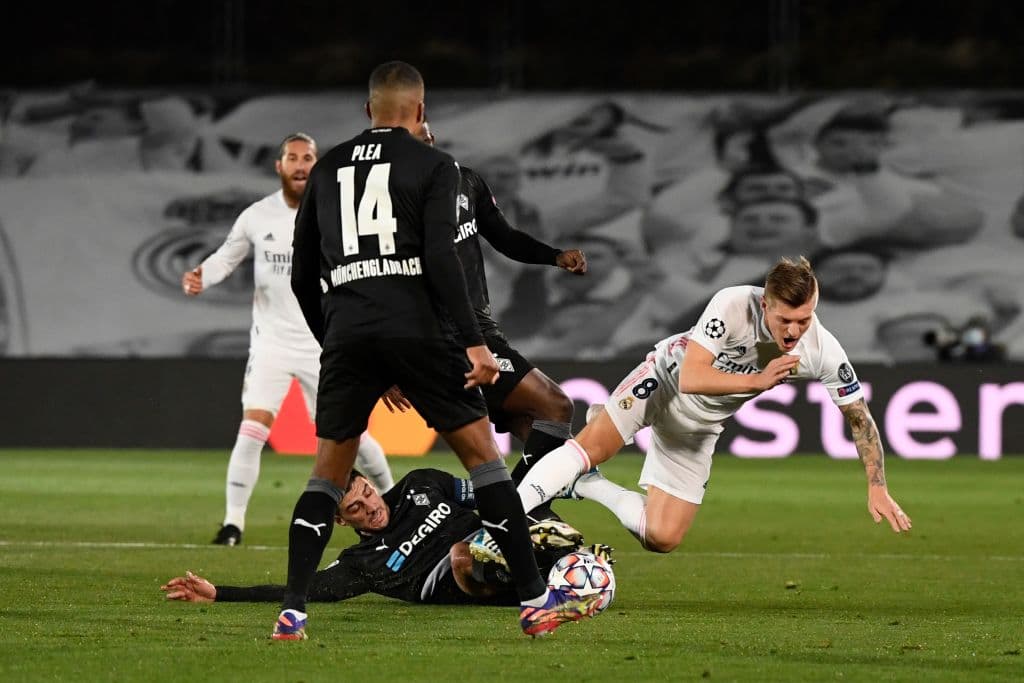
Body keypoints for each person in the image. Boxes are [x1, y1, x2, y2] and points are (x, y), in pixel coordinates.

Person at [281, 61, 600, 641]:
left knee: (326, 478)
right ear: (421, 110)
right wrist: (475, 343)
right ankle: (534, 601)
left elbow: (302, 277)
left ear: (368, 110)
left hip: (348, 333)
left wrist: (337, 342)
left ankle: (293, 611)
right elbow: (438, 257)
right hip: (422, 332)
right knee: (485, 463)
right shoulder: (435, 166)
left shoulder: (326, 168)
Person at [516, 257, 913, 556]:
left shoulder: (822, 350)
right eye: (785, 320)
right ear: (765, 304)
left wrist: (877, 486)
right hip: (664, 380)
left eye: (804, 320)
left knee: (662, 538)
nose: (794, 331)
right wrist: (757, 381)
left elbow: (859, 418)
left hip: (700, 425)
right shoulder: (733, 304)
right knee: (590, 448)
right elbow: (691, 377)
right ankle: (506, 523)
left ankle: (585, 484)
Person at [181, 132, 394, 546]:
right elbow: (227, 256)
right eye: (292, 158)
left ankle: (394, 499)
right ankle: (232, 524)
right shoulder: (257, 216)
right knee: (252, 430)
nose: (300, 165)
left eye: (307, 158)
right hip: (271, 346)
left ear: (317, 165)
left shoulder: (337, 215)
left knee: (352, 435)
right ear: (279, 166)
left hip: (324, 345)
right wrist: (202, 275)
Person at [419, 120, 587, 522]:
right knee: (555, 406)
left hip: (480, 326)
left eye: (427, 136)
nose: (425, 144)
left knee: (537, 434)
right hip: (448, 334)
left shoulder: (466, 182)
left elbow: (505, 236)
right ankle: (516, 514)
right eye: (415, 140)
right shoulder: (398, 199)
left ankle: (522, 517)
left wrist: (553, 256)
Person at [162, 468, 608, 606]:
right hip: (472, 576)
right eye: (356, 508)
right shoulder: (363, 563)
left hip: (501, 538)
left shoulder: (421, 484)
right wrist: (221, 594)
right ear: (341, 521)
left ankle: (572, 561)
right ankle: (551, 583)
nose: (370, 506)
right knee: (463, 556)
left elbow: (495, 493)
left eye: (367, 493)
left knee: (514, 501)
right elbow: (304, 589)